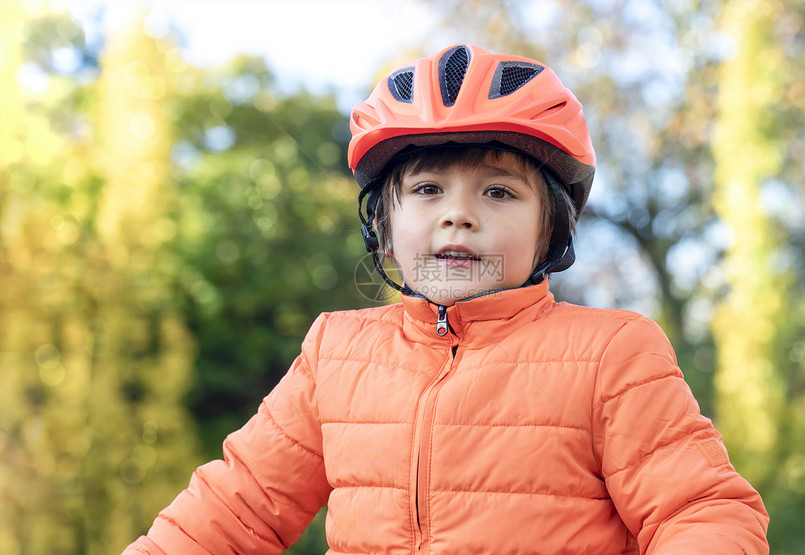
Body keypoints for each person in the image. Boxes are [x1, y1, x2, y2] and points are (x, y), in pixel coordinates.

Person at [124, 44, 768, 554]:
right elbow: (235, 509)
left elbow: (701, 510)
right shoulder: (336, 354)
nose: (458, 215)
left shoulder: (611, 352)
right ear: (383, 224)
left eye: (498, 192)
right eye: (429, 189)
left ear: (553, 228)